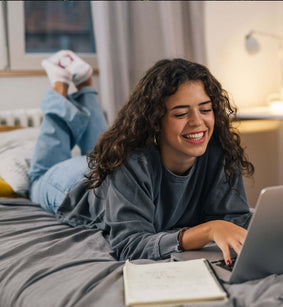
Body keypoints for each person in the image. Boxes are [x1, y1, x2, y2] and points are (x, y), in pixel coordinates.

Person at [29, 51, 254, 266]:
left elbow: (233, 220)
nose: (198, 122)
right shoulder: (131, 162)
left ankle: (86, 84)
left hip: (106, 167)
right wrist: (207, 230)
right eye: (181, 113)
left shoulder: (221, 151)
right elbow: (130, 244)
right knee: (37, 178)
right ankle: (60, 85)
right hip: (76, 184)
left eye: (205, 109)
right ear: (155, 120)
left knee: (101, 151)